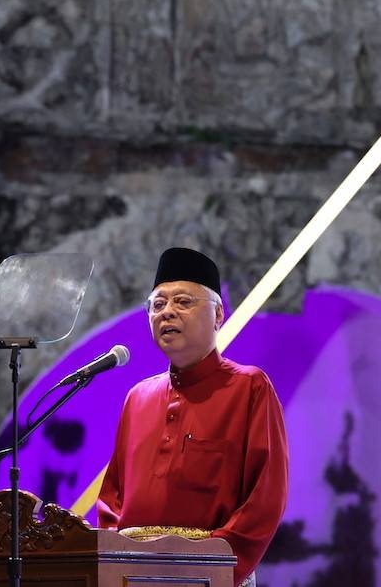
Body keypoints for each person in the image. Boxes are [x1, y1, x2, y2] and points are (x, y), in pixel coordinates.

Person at [97, 248, 289, 587]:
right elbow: (111, 499)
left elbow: (265, 496)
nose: (167, 312)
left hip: (210, 574)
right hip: (131, 575)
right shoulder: (137, 396)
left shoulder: (250, 386)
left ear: (218, 315)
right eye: (157, 305)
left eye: (183, 302)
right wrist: (115, 561)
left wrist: (212, 567)